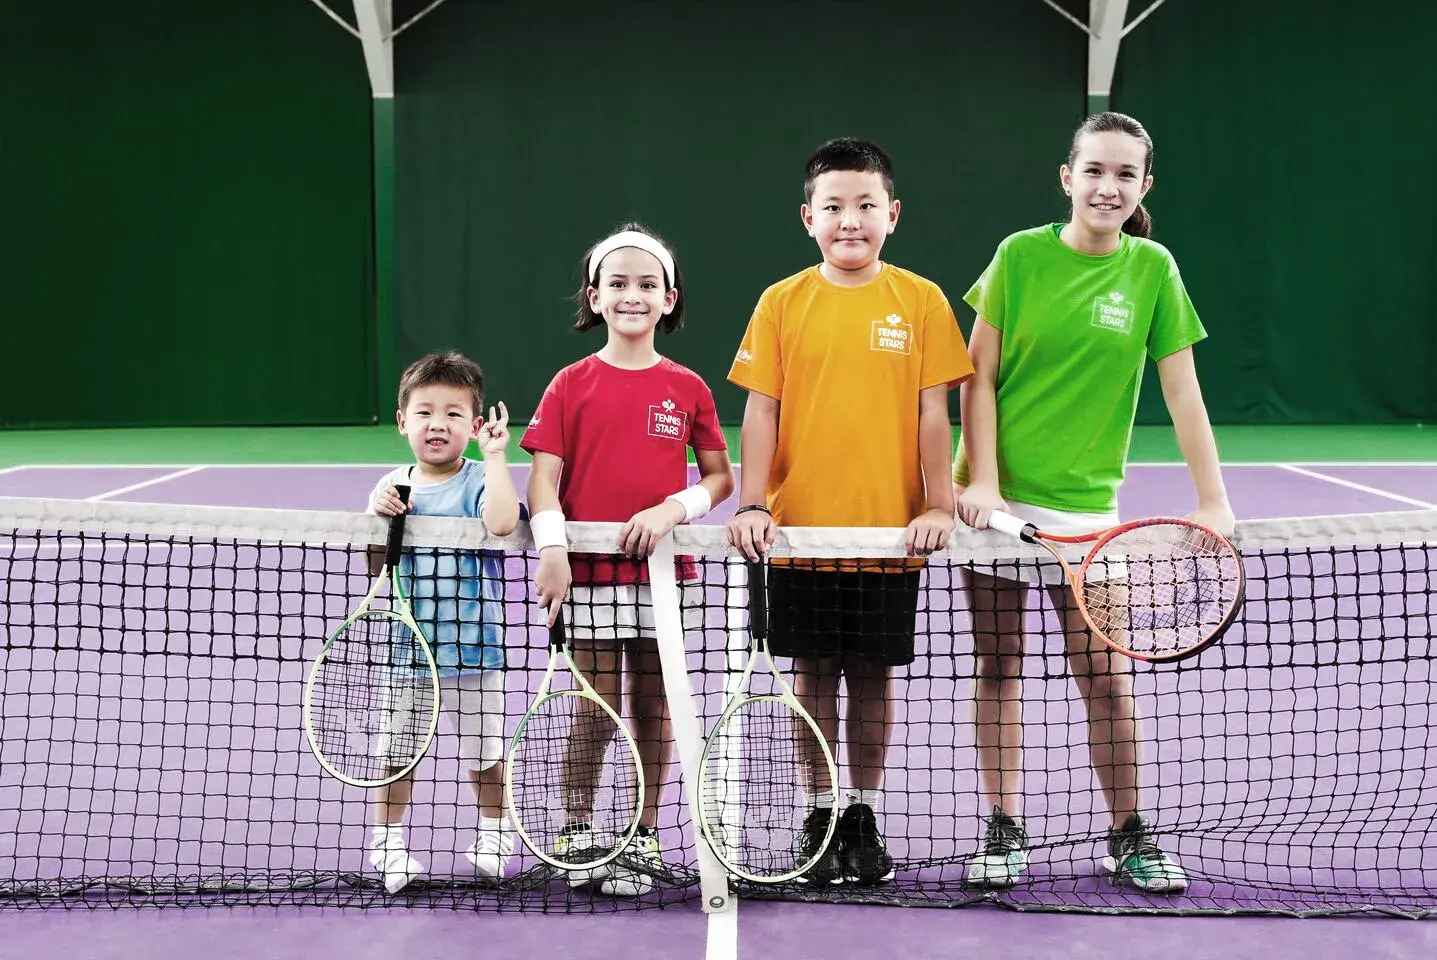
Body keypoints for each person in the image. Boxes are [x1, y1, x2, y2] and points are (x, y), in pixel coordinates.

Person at [954, 111, 1235, 894]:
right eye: (1093, 170)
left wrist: (1212, 501)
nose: (1106, 187)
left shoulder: (1152, 270)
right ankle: (1003, 827)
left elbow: (1183, 393)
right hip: (999, 509)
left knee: (1104, 679)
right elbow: (976, 377)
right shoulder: (1018, 256)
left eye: (1123, 175)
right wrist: (981, 482)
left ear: (1143, 186)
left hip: (1087, 516)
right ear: (1066, 177)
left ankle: (1127, 833)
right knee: (998, 666)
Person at [726, 138, 974, 886]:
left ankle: (860, 810)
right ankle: (817, 810)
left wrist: (938, 502)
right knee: (812, 672)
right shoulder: (780, 302)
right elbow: (761, 411)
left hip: (889, 535)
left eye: (866, 205)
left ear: (892, 215)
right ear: (808, 219)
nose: (850, 220)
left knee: (871, 674)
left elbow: (933, 414)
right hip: (800, 533)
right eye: (833, 207)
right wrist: (752, 501)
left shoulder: (922, 301)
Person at [523, 222, 734, 897]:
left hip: (664, 577)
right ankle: (577, 829)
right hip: (588, 574)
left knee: (653, 703)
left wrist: (673, 509)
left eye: (647, 284)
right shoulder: (569, 384)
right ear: (595, 298)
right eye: (617, 284)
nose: (632, 295)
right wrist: (553, 548)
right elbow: (542, 480)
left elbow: (720, 479)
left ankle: (643, 833)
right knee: (596, 703)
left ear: (669, 299)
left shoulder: (688, 387)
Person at [365, 350, 523, 894]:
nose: (439, 423)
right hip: (409, 653)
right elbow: (376, 568)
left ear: (474, 426)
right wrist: (379, 517)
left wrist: (496, 458)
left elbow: (501, 523)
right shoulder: (392, 487)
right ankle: (388, 844)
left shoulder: (480, 480)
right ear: (402, 421)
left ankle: (496, 835)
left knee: (485, 755)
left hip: (476, 652)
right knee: (396, 756)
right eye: (426, 412)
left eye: (454, 413)